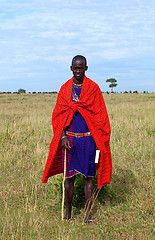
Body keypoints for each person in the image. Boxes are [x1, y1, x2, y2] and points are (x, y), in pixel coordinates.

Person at [42, 55, 112, 222]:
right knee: (69, 177)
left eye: (81, 68)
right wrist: (62, 136)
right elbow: (58, 116)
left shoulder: (93, 88)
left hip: (89, 139)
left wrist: (98, 141)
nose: (78, 71)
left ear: (86, 68)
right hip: (70, 140)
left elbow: (100, 116)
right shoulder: (65, 89)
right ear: (71, 68)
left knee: (89, 177)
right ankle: (68, 214)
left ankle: (87, 215)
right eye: (76, 68)